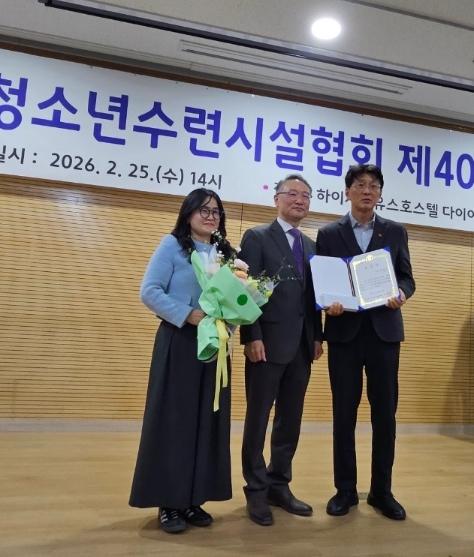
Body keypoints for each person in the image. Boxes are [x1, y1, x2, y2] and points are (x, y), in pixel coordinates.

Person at [129, 188, 235, 534]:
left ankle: (193, 499)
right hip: (179, 341)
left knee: (207, 422)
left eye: (216, 211)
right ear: (187, 213)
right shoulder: (172, 246)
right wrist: (187, 314)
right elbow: (150, 291)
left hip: (214, 345)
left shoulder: (227, 252)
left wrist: (231, 322)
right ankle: (169, 503)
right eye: (203, 210)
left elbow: (235, 298)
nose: (210, 216)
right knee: (175, 423)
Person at [316, 164, 415, 521]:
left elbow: (407, 277)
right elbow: (322, 281)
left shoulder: (395, 231)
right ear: (348, 191)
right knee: (343, 414)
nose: (367, 191)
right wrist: (328, 303)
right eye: (360, 185)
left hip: (384, 334)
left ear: (380, 193)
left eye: (374, 186)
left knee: (384, 414)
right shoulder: (329, 233)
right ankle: (345, 490)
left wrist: (401, 293)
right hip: (344, 333)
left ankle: (381, 491)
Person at [239, 174, 323, 526]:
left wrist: (317, 336)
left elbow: (313, 298)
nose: (300, 200)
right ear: (276, 199)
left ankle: (279, 484)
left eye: (306, 195)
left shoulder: (312, 246)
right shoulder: (257, 237)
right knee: (258, 419)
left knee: (290, 420)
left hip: (302, 347)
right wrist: (251, 335)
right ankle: (256, 490)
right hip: (266, 344)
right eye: (292, 193)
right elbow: (244, 291)